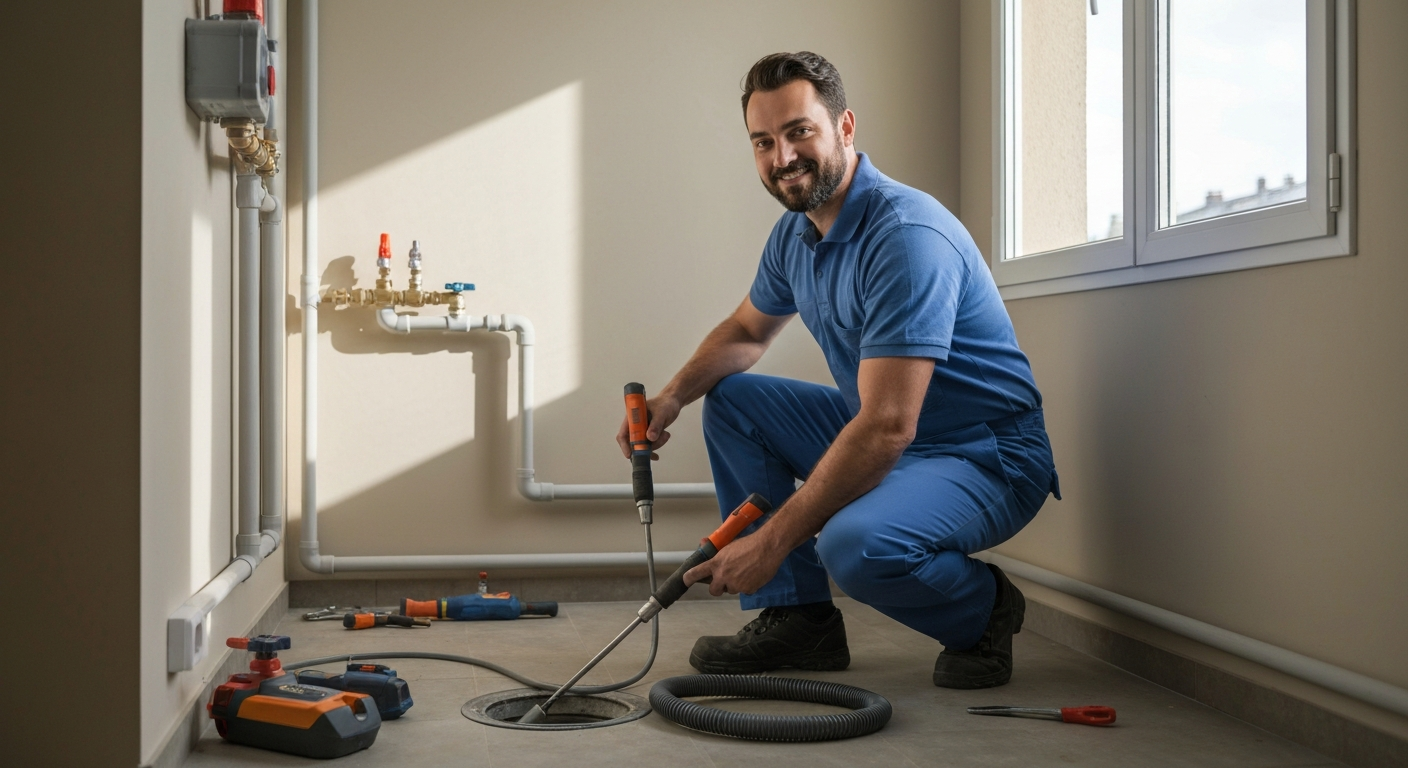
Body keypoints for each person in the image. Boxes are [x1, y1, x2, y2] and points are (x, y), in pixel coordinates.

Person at [617, 51, 1060, 689]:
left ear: (845, 127)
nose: (782, 158)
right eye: (763, 141)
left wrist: (770, 544)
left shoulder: (905, 237)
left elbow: (887, 427)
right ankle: (800, 620)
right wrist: (671, 397)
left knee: (852, 546)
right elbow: (747, 331)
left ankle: (984, 608)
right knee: (733, 401)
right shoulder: (795, 234)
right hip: (890, 432)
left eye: (799, 131)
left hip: (984, 453)